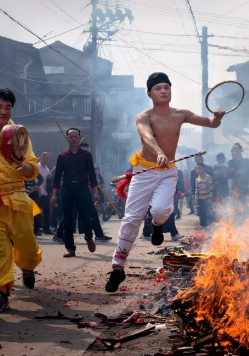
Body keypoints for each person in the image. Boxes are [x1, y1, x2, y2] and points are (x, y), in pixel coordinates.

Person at [106, 72, 225, 292]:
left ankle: (157, 225)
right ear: (149, 93)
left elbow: (210, 123)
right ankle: (117, 267)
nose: (163, 91)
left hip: (168, 171)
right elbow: (147, 137)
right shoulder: (143, 116)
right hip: (144, 170)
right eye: (158, 88)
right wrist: (159, 152)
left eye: (166, 87)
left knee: (161, 210)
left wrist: (217, 118)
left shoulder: (181, 114)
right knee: (131, 218)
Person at [0, 88, 43, 313]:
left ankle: (27, 267)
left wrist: (20, 164)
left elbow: (32, 168)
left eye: (8, 107)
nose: (4, 111)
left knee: (26, 246)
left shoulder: (19, 134)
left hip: (17, 198)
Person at [51, 128, 99, 257]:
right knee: (68, 219)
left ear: (80, 138)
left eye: (75, 136)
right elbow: (57, 176)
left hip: (83, 188)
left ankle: (88, 236)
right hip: (67, 188)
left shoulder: (86, 155)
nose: (73, 139)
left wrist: (95, 192)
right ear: (66, 138)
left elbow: (92, 174)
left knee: (86, 216)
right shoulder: (62, 156)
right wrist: (54, 194)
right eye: (70, 137)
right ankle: (70, 248)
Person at [194, 163, 214, 228]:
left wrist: (210, 198)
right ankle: (203, 226)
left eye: (200, 169)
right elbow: (197, 190)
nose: (198, 170)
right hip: (200, 199)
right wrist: (196, 199)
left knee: (208, 212)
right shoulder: (197, 179)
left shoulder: (208, 177)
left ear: (204, 169)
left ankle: (210, 226)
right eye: (197, 169)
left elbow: (211, 188)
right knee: (202, 213)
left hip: (207, 198)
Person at [37, 153, 53, 234]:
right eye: (44, 158)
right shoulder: (36, 167)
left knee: (47, 211)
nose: (46, 160)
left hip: (45, 193)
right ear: (41, 158)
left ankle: (47, 228)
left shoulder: (47, 170)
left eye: (47, 159)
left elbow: (49, 180)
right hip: (38, 192)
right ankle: (37, 228)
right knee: (37, 211)